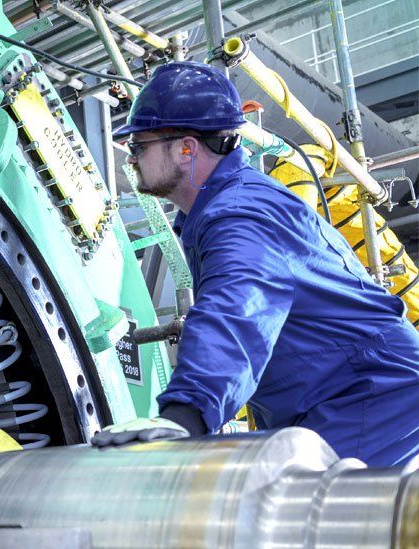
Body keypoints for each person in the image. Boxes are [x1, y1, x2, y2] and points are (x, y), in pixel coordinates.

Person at [92, 61, 419, 467]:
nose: (132, 158)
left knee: (311, 519)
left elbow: (238, 307)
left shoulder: (240, 213)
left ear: (187, 147)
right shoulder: (219, 210)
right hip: (328, 394)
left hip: (368, 394)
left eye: (139, 146)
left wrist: (185, 414)